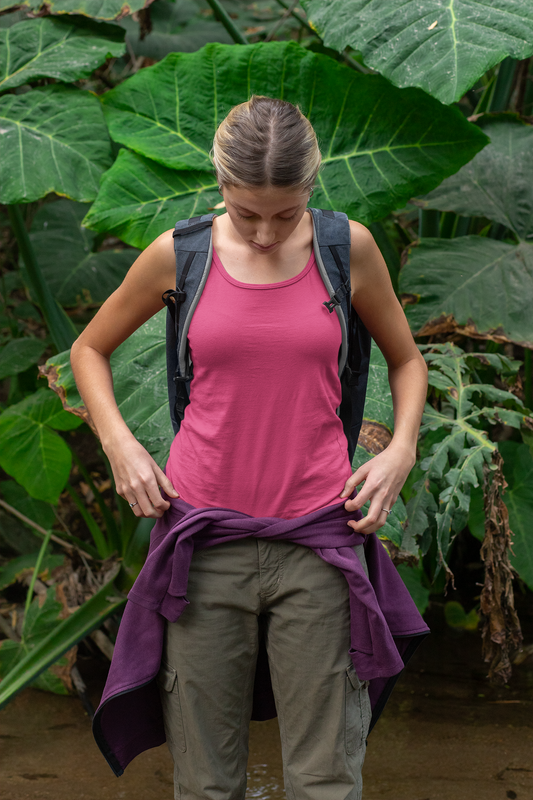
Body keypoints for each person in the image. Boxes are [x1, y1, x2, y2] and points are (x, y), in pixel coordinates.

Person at [70, 96, 429, 800]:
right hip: (204, 544)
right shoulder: (180, 255)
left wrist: (400, 450)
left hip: (321, 539)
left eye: (285, 214)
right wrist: (120, 445)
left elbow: (406, 361)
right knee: (205, 783)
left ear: (310, 189)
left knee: (324, 779)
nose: (265, 233)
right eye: (245, 214)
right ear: (220, 185)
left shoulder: (344, 248)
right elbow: (89, 349)